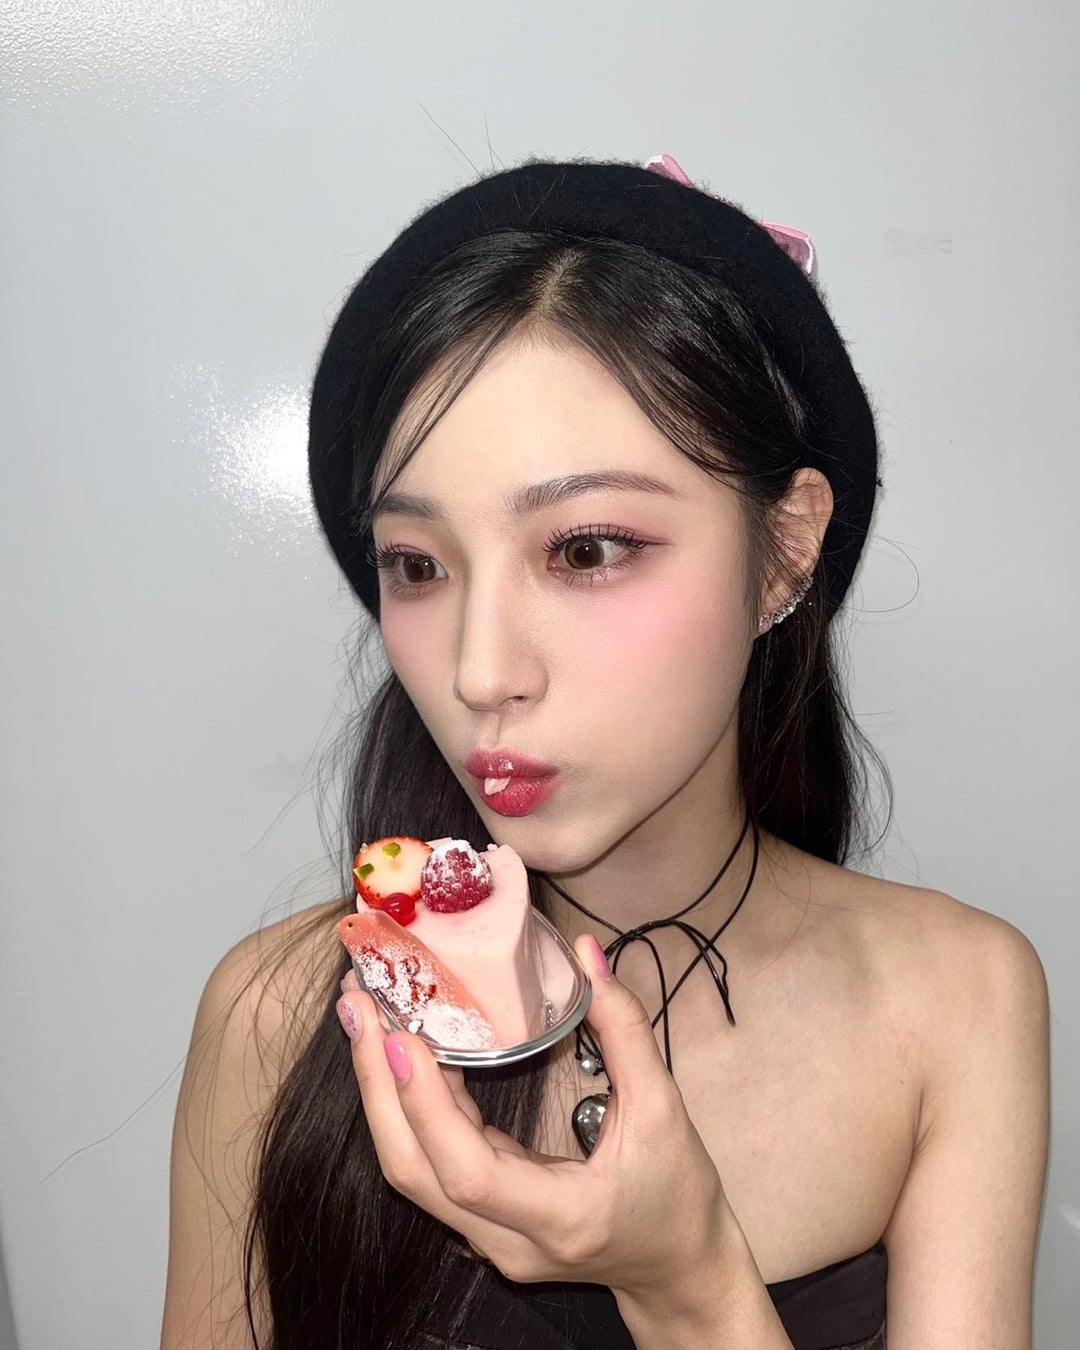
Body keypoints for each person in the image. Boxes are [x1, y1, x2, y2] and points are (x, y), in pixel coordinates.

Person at [160, 155, 1050, 1350]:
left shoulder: (952, 1001)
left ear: (785, 552)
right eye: (417, 565)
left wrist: (692, 1292)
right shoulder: (277, 1019)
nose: (480, 672)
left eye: (583, 550)